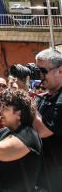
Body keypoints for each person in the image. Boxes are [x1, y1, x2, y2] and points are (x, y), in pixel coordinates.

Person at [0, 89, 42, 192]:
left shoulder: (29, 135)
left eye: (5, 107)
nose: (0, 111)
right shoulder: (5, 132)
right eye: (0, 106)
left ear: (19, 113)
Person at [32, 47, 62, 192]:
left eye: (43, 71)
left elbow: (43, 131)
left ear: (60, 70)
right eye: (37, 71)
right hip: (39, 180)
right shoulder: (45, 97)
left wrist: (29, 104)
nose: (40, 76)